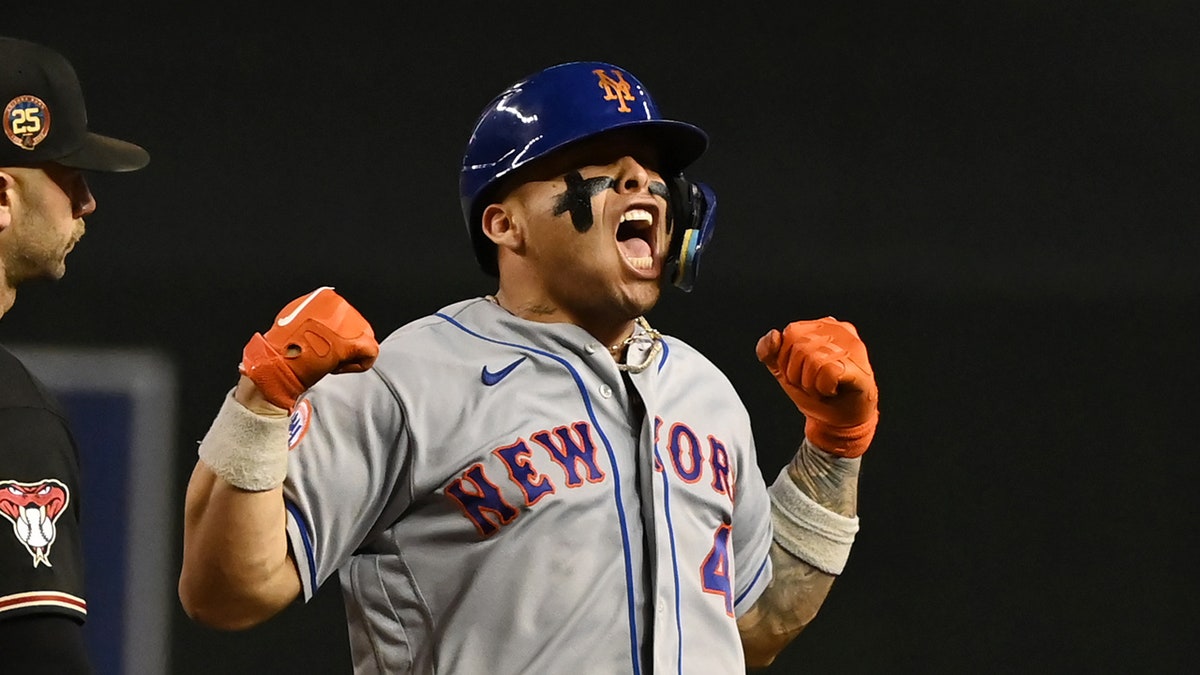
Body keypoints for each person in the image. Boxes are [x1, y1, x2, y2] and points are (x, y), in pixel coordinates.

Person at [179, 61, 879, 673]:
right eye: (601, 162)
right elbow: (227, 591)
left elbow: (754, 625)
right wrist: (262, 400)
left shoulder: (706, 394)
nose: (643, 177)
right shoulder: (409, 376)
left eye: (653, 167)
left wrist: (833, 449)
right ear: (504, 224)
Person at [0, 36, 149, 672]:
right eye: (68, 177)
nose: (86, 202)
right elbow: (38, 658)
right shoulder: (13, 414)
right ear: (2, 199)